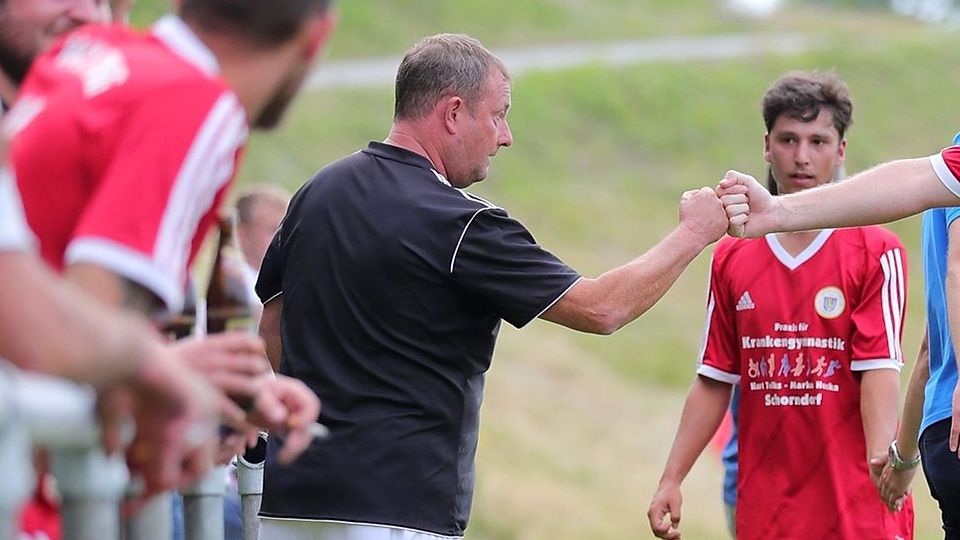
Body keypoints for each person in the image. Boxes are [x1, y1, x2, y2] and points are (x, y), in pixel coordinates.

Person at [253, 33, 728, 540]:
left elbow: (271, 326)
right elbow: (602, 309)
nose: (506, 136)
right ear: (454, 112)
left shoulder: (316, 192)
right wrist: (693, 233)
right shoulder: (461, 224)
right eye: (499, 114)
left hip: (293, 500)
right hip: (402, 508)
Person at [648, 71, 914, 540]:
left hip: (857, 508)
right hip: (766, 509)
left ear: (841, 150)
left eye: (818, 141)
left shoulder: (876, 249)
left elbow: (880, 367)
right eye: (789, 140)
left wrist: (882, 463)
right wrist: (672, 477)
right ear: (767, 146)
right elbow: (715, 378)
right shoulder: (733, 253)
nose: (802, 156)